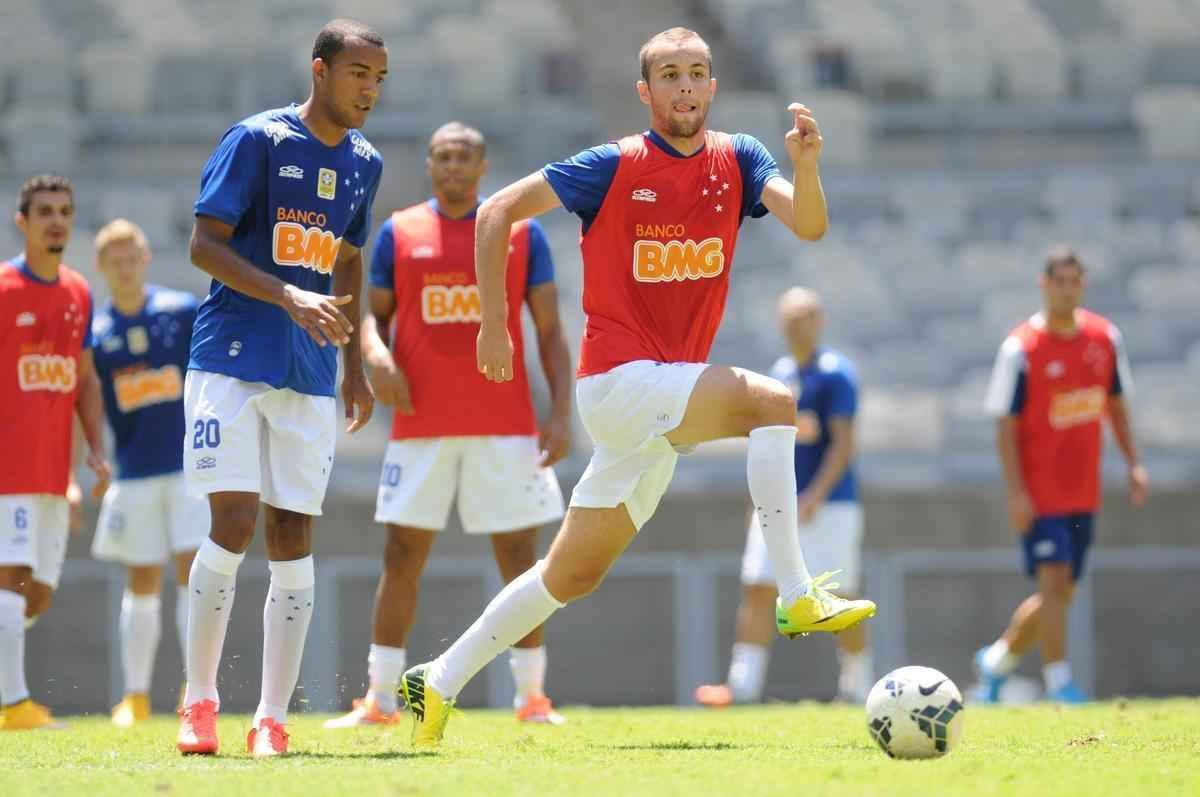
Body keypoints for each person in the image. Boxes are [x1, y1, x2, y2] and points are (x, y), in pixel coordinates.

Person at [399, 27, 876, 747]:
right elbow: (496, 212)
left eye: (697, 73)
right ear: (645, 91)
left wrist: (807, 166)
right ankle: (797, 595)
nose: (685, 86)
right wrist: (495, 326)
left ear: (712, 87)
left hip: (655, 398)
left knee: (570, 574)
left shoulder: (741, 157)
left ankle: (433, 680)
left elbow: (809, 224)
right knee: (773, 403)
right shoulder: (614, 164)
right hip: (619, 381)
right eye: (670, 75)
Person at [175, 19, 386, 757]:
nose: (369, 90)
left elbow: (350, 259)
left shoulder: (365, 160)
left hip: (309, 369)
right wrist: (289, 297)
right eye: (359, 73)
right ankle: (199, 701)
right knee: (231, 521)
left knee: (293, 533)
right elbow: (204, 243)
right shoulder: (257, 140)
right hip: (231, 357)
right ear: (321, 70)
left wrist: (355, 363)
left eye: (379, 79)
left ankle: (271, 716)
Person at [324, 123, 573, 730]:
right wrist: (375, 356)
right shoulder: (400, 231)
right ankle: (379, 700)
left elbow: (548, 330)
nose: (453, 167)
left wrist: (561, 411)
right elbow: (371, 319)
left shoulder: (521, 230)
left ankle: (531, 698)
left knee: (521, 558)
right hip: (420, 426)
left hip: (505, 423)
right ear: (429, 166)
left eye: (464, 157)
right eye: (442, 157)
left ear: (484, 166)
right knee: (402, 555)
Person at [974, 246, 1148, 703]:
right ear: (1044, 285)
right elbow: (1004, 426)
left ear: (1082, 285)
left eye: (1074, 281)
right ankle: (1059, 682)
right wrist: (1016, 493)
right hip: (1040, 491)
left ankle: (995, 660)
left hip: (1083, 491)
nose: (1067, 289)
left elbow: (1116, 406)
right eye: (1059, 281)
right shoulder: (1021, 348)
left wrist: (1133, 463)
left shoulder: (1105, 339)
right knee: (1053, 584)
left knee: (1061, 592)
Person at [695, 287, 871, 707]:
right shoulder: (779, 373)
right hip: (781, 506)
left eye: (806, 316)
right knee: (758, 586)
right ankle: (742, 686)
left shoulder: (836, 374)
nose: (799, 325)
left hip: (831, 505)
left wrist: (814, 495)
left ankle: (859, 684)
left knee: (841, 594)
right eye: (791, 318)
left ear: (821, 321)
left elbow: (843, 444)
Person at [0, 174, 111, 730]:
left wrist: (93, 449)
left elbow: (85, 380)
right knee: (11, 578)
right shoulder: (2, 289)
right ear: (22, 221)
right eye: (44, 211)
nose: (56, 220)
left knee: (36, 594)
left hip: (51, 473)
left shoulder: (78, 292)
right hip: (7, 471)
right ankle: (12, 705)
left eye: (64, 210)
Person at [89, 219, 208, 726]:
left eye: (131, 254)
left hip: (186, 470)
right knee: (140, 581)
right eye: (114, 258)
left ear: (145, 257)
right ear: (102, 266)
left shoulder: (180, 311)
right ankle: (135, 696)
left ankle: (194, 687)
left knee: (192, 575)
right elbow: (89, 403)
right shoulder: (96, 334)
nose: (125, 264)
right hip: (134, 472)